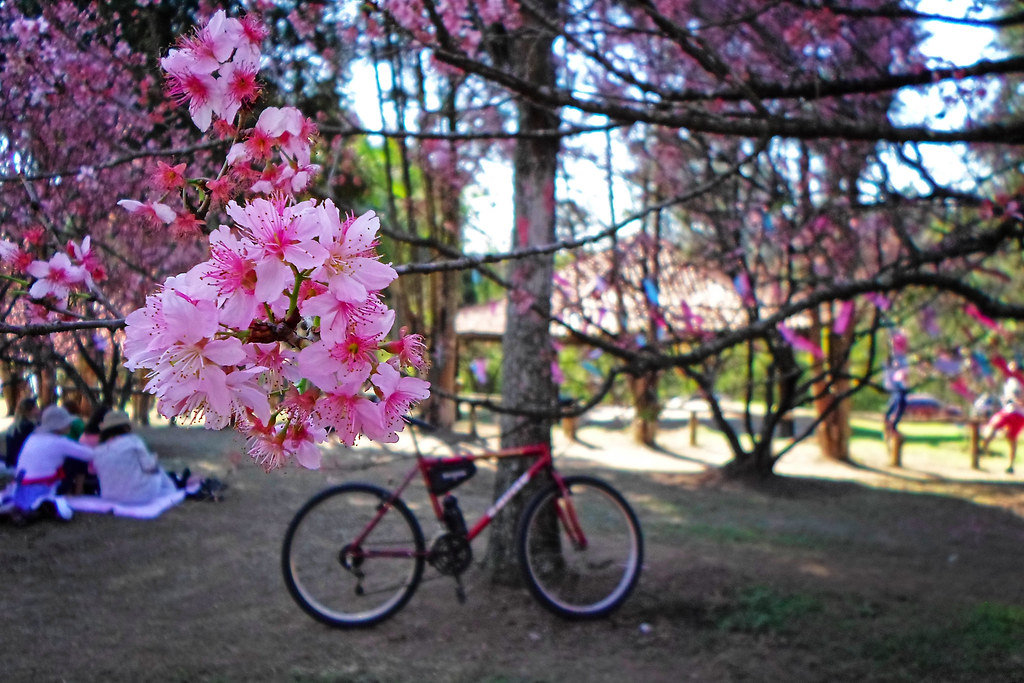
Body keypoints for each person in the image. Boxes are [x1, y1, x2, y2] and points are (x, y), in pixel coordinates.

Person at [12, 404, 96, 517]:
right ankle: (75, 493)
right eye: (67, 423)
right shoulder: (60, 442)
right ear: (59, 426)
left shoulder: (33, 437)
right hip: (45, 486)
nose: (70, 425)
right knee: (77, 461)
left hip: (21, 486)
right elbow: (90, 455)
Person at [91, 411, 183, 505]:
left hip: (109, 496)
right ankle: (174, 487)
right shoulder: (134, 441)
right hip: (139, 497)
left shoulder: (98, 450)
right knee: (157, 468)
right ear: (126, 427)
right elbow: (149, 466)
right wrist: (154, 459)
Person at [981, 383, 1024, 474]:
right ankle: (985, 447)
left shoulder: (1018, 380)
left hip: (1015, 413)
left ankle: (984, 446)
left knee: (998, 429)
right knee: (1009, 437)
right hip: (1016, 413)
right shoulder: (1010, 381)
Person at [5, 396, 39, 469]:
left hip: (12, 463)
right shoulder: (29, 427)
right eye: (36, 407)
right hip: (22, 465)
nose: (38, 409)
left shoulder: (14, 426)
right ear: (30, 411)